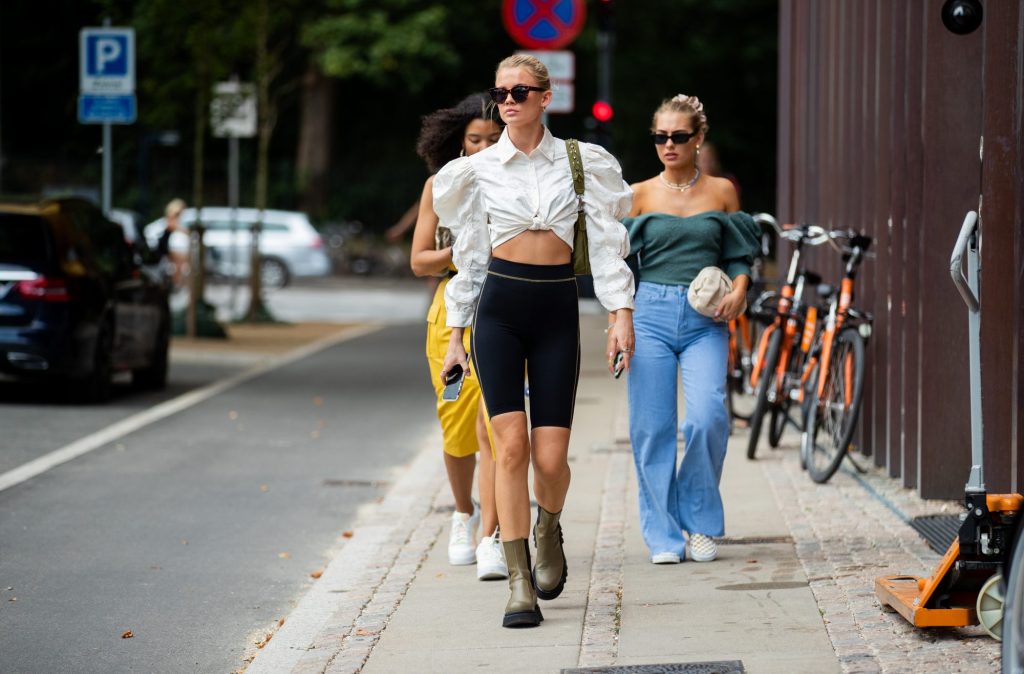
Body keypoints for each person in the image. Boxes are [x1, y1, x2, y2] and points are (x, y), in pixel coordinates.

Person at [435, 54, 636, 628]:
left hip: (556, 313)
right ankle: (518, 581)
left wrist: (620, 313)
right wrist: (456, 336)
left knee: (551, 458)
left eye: (519, 91)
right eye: (500, 92)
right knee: (511, 447)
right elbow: (470, 258)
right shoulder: (478, 171)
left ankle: (549, 526)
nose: (507, 101)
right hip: (498, 312)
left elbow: (605, 243)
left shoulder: (580, 162)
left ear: (545, 97)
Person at [623, 95, 760, 565]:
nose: (668, 145)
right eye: (660, 136)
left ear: (698, 138)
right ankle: (663, 533)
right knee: (651, 427)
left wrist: (740, 287)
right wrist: (618, 321)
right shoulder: (638, 194)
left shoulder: (722, 192)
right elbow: (615, 265)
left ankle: (699, 521)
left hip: (707, 317)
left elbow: (739, 253)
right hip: (651, 312)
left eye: (679, 136)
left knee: (708, 416)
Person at [409, 93, 507, 581]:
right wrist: (463, 254)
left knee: (495, 427)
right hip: (449, 315)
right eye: (475, 139)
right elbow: (419, 259)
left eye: (494, 138)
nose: (485, 146)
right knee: (457, 428)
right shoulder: (439, 187)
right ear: (458, 143)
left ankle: (493, 534)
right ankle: (462, 515)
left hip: (505, 309)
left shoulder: (518, 184)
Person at [156, 198, 188, 288]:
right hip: (165, 245)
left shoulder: (175, 218)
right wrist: (185, 231)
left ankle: (177, 283)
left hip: (169, 245)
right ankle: (176, 284)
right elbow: (172, 226)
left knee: (181, 263)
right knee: (180, 262)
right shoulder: (171, 217)